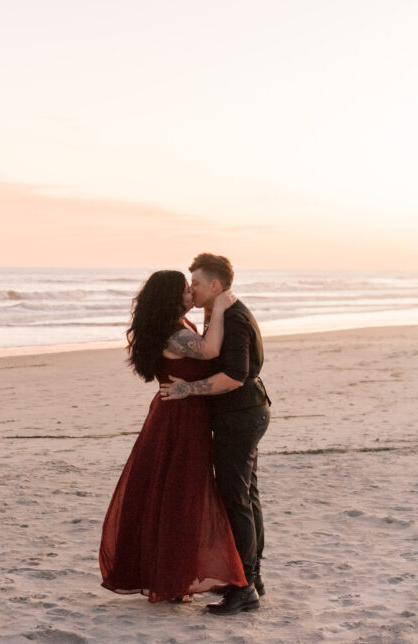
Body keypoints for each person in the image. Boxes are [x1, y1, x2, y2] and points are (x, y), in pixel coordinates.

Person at [99, 270, 247, 604]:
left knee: (177, 495)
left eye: (192, 287)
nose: (190, 293)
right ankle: (170, 579)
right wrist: (220, 307)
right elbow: (209, 352)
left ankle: (173, 577)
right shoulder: (174, 334)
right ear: (171, 297)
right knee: (179, 497)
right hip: (177, 419)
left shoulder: (180, 326)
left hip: (184, 415)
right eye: (185, 290)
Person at [160, 253, 271, 615]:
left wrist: (187, 390)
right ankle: (251, 579)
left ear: (216, 286)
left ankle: (245, 588)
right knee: (245, 493)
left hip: (241, 414)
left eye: (195, 283)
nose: (190, 289)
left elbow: (235, 375)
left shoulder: (234, 318)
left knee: (235, 497)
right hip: (241, 413)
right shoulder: (219, 312)